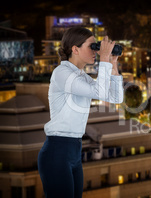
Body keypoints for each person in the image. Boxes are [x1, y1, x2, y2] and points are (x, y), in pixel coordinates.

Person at [38, 27, 124, 198]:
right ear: (75, 49)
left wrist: (113, 65)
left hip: (74, 150)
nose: (96, 51)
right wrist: (104, 59)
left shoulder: (82, 77)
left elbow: (116, 97)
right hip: (57, 150)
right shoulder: (61, 73)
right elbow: (100, 92)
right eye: (91, 46)